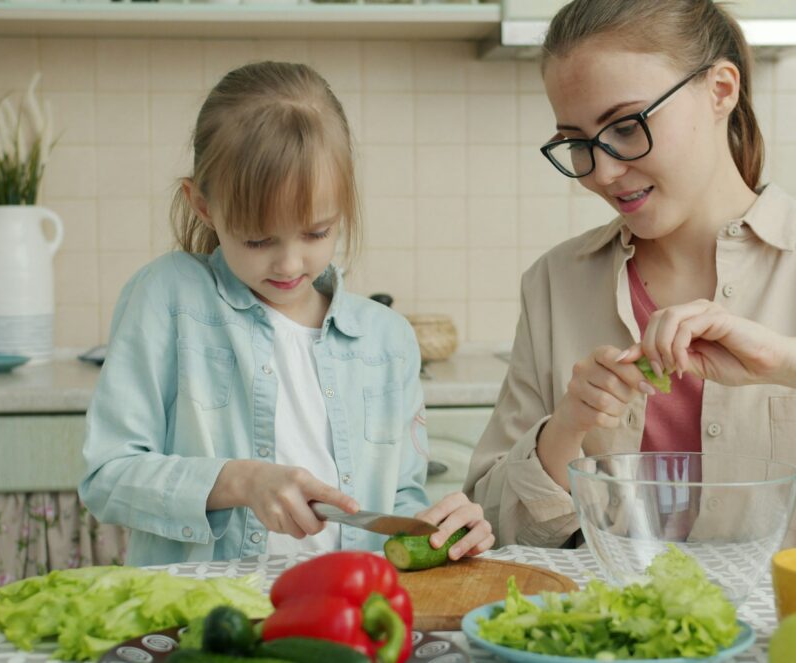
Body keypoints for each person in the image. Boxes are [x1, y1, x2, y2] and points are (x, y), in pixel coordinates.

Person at [465, 0, 796, 549]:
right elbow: (485, 522)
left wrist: (788, 360)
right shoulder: (554, 284)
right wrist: (565, 430)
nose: (603, 173)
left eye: (626, 126)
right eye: (578, 143)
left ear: (721, 89)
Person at [80, 61, 493, 565]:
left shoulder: (387, 340)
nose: (290, 263)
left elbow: (398, 505)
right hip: (207, 621)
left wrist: (437, 531)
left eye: (316, 232)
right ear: (203, 206)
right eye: (258, 238)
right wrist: (241, 481)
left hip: (346, 617)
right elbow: (107, 477)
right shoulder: (168, 298)